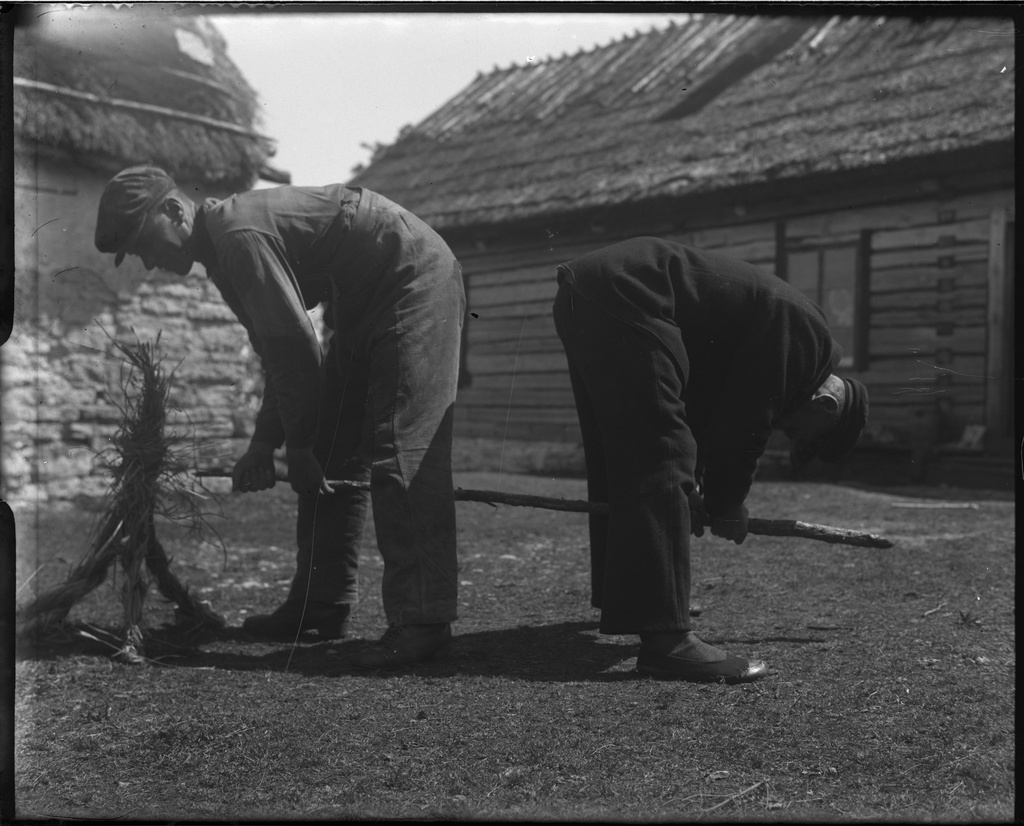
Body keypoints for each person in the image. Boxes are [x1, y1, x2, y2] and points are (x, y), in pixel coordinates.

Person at [95, 166, 465, 668]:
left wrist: (297, 446)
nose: (147, 261)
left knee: (402, 443)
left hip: (411, 279)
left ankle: (423, 621)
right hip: (360, 301)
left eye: (143, 242)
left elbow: (297, 348)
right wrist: (263, 444)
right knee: (336, 448)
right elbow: (276, 353)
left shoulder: (237, 236)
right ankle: (321, 601)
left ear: (174, 210)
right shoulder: (222, 258)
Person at [552, 237, 868, 683]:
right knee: (660, 452)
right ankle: (667, 641)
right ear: (826, 407)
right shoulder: (805, 338)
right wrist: (725, 503)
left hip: (589, 290)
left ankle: (634, 598)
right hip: (628, 292)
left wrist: (694, 490)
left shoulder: (785, 340)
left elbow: (694, 409)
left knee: (623, 451)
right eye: (797, 432)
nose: (785, 431)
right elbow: (746, 425)